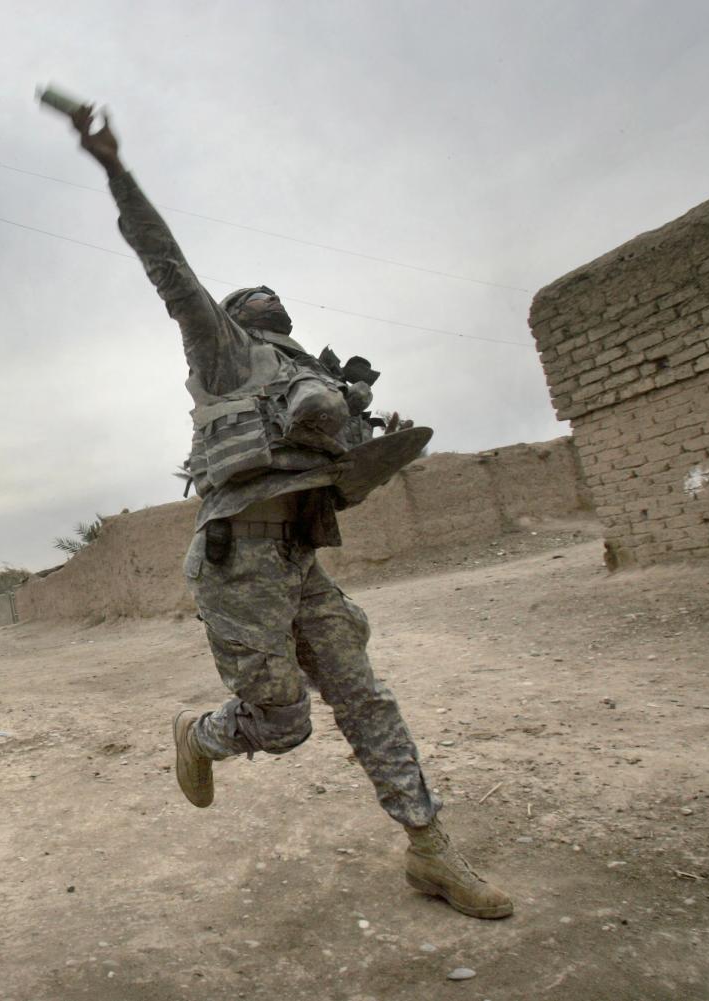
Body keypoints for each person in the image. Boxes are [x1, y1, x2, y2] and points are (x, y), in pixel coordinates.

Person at [62, 107, 512, 920]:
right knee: (281, 723)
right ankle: (199, 734)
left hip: (299, 557)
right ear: (233, 315)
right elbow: (166, 264)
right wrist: (114, 169)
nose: (270, 295)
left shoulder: (324, 382)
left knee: (365, 696)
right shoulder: (222, 349)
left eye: (277, 294)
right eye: (253, 294)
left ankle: (429, 849)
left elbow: (348, 472)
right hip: (238, 560)